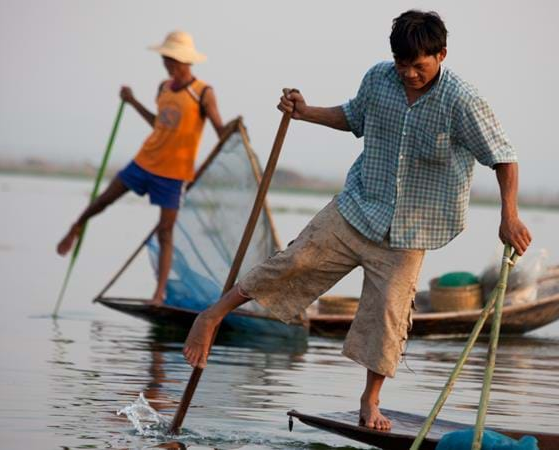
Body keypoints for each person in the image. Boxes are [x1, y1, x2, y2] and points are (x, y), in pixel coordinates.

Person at [182, 10, 532, 431]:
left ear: (441, 55)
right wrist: (304, 111)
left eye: (418, 66)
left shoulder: (462, 100)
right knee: (293, 260)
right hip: (358, 206)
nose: (408, 74)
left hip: (412, 229)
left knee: (388, 314)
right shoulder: (379, 79)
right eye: (402, 65)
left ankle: (370, 401)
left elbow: (503, 156)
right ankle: (213, 315)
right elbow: (353, 118)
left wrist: (508, 215)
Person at [57, 31, 223, 306]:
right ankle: (77, 225)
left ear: (182, 59)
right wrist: (133, 102)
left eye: (169, 58)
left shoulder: (203, 92)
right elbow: (159, 124)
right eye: (164, 58)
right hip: (145, 161)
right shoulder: (163, 87)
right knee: (105, 199)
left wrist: (233, 132)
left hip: (174, 173)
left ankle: (158, 294)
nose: (165, 63)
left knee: (165, 232)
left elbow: (220, 129)